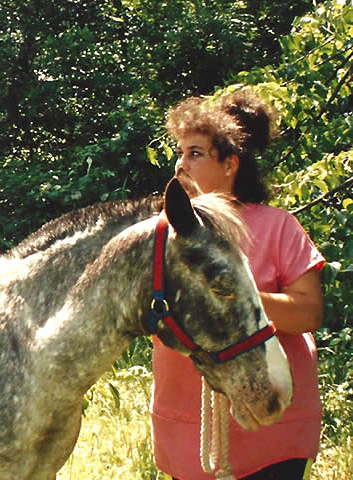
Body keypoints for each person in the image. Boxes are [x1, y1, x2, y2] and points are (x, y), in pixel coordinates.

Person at [150, 89, 325, 479]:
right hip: (186, 429)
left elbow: (309, 312)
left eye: (194, 154)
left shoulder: (279, 226)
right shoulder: (161, 233)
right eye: (179, 153)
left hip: (272, 424)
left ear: (230, 165)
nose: (181, 165)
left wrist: (233, 296)